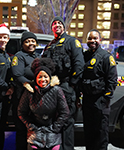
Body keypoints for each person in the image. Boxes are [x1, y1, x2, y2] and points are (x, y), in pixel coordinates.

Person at [42, 16, 85, 150]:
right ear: (52, 28)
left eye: (59, 23)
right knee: (55, 121)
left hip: (67, 86)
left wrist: (72, 84)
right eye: (54, 24)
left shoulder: (72, 42)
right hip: (52, 88)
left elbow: (79, 64)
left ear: (64, 26)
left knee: (66, 121)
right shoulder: (50, 45)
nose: (57, 25)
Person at [18, 57, 69, 150]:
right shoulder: (30, 91)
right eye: (40, 77)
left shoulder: (57, 90)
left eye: (45, 76)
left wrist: (54, 128)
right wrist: (31, 127)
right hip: (35, 131)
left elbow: (64, 112)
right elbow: (21, 112)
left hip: (53, 131)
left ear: (49, 77)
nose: (43, 80)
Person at [80, 29, 118, 150]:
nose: (92, 41)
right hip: (87, 100)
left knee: (101, 132)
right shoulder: (84, 56)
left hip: (100, 100)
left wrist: (106, 98)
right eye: (90, 38)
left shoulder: (106, 57)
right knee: (89, 131)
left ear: (100, 40)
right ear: (87, 41)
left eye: (95, 38)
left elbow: (112, 80)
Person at [11, 31, 41, 150]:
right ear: (22, 44)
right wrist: (28, 84)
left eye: (32, 41)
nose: (30, 43)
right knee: (22, 128)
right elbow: (17, 74)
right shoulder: (19, 56)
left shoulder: (38, 57)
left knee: (34, 127)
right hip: (21, 96)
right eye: (27, 41)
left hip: (35, 97)